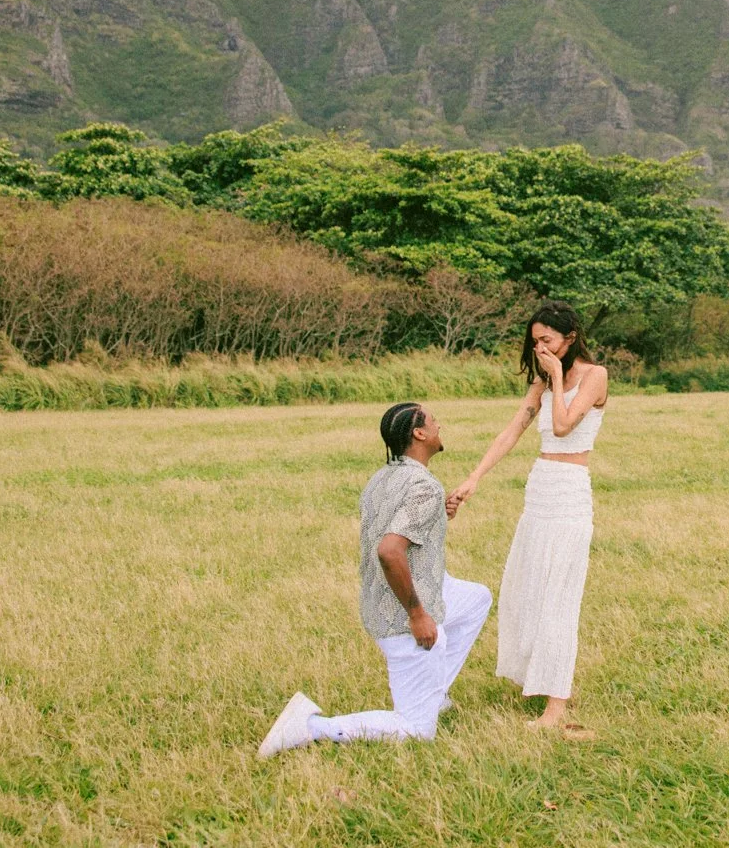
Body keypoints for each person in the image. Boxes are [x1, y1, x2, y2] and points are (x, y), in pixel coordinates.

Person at [258, 402, 491, 755]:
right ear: (420, 433)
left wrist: (436, 513)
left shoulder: (383, 477)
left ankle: (435, 690)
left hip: (380, 604)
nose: (439, 423)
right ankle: (309, 727)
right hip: (404, 618)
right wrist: (418, 616)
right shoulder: (423, 487)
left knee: (476, 598)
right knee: (416, 730)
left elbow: (396, 525)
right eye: (432, 420)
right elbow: (389, 552)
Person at [446, 300, 607, 733]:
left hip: (571, 494)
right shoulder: (541, 380)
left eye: (547, 341)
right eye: (535, 342)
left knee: (560, 596)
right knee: (527, 587)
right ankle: (539, 680)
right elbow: (514, 429)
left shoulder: (595, 376)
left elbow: (563, 427)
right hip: (539, 490)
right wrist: (474, 478)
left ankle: (557, 707)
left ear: (570, 338)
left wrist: (555, 379)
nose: (540, 349)